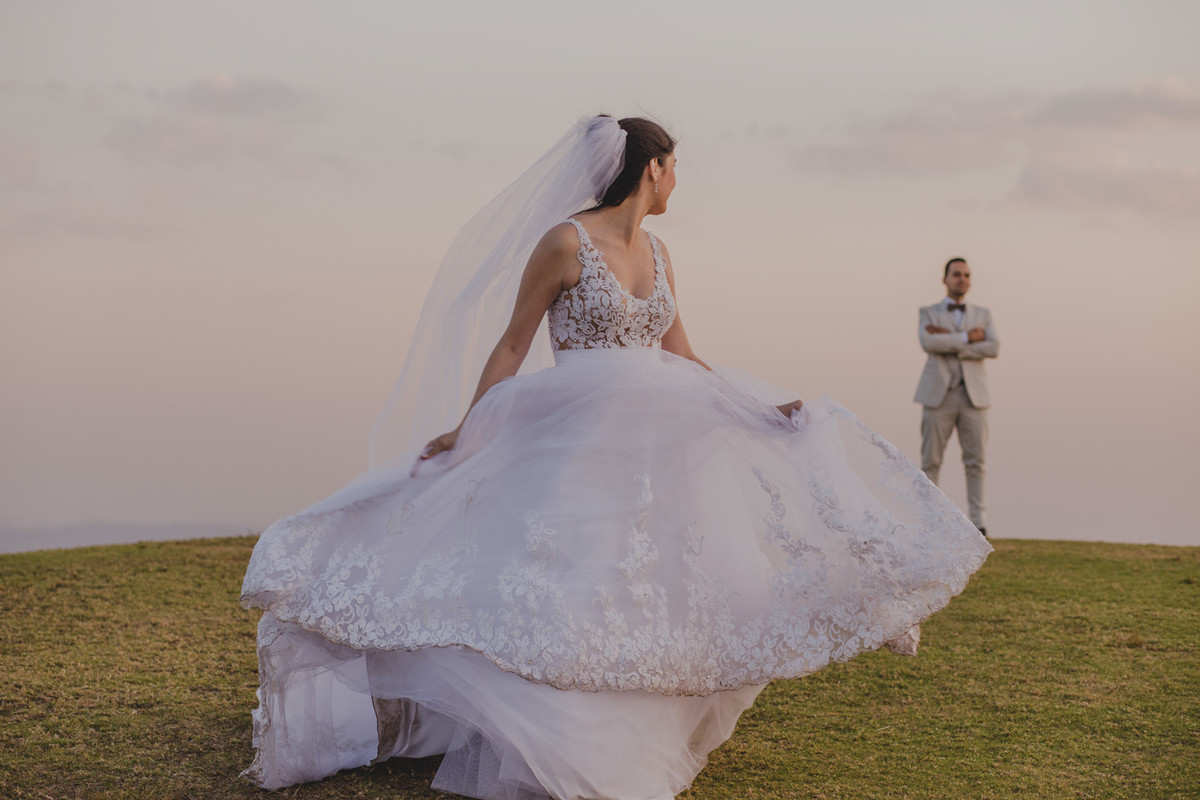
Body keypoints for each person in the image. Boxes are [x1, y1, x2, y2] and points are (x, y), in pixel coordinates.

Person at [241, 115, 992, 800]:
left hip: (652, 455)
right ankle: (557, 741)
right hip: (572, 447)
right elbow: (513, 341)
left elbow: (683, 355)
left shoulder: (661, 253)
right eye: (676, 166)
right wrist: (468, 426)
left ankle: (628, 736)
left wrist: (762, 412)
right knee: (573, 586)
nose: (678, 181)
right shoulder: (564, 242)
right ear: (654, 169)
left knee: (650, 591)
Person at [914, 258, 1000, 535]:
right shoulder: (928, 312)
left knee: (976, 461)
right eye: (956, 274)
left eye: (966, 275)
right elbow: (928, 343)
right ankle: (929, 519)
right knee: (931, 461)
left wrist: (949, 341)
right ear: (945, 279)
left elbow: (993, 347)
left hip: (974, 398)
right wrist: (966, 338)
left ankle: (978, 522)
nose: (961, 279)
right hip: (937, 396)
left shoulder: (984, 314)